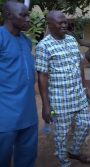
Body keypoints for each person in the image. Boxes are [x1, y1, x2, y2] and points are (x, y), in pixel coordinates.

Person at [35, 10, 90, 167]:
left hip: (79, 95)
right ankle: (64, 162)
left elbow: (80, 65)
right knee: (61, 134)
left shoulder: (72, 40)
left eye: (65, 22)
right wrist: (46, 105)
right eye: (59, 23)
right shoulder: (43, 46)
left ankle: (74, 151)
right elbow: (42, 76)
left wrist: (85, 87)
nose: (63, 25)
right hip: (59, 100)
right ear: (50, 25)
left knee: (85, 124)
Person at [0, 1, 38, 167]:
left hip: (28, 112)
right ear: (8, 15)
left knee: (27, 157)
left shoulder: (26, 41)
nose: (28, 19)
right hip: (5, 115)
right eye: (23, 15)